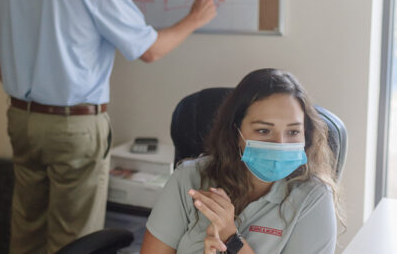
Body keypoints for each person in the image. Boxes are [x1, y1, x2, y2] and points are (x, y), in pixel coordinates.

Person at [0, 0, 216, 253]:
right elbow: (150, 50)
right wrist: (195, 19)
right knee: (74, 239)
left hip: (21, 117)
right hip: (72, 125)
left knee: (26, 231)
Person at [141, 68, 344, 254]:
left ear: (306, 134)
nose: (279, 144)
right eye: (263, 131)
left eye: (293, 132)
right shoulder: (188, 179)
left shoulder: (313, 196)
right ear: (236, 132)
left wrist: (231, 239)